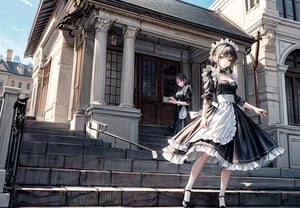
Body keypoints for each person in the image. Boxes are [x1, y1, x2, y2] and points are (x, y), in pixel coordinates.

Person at [162, 38, 285, 208]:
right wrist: (204, 117)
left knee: (231, 160)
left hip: (234, 117)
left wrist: (254, 109)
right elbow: (207, 98)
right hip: (218, 116)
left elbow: (237, 99)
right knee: (205, 154)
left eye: (230, 58)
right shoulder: (212, 75)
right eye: (225, 57)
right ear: (218, 57)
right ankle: (188, 189)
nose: (228, 60)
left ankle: (222, 196)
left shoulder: (231, 76)